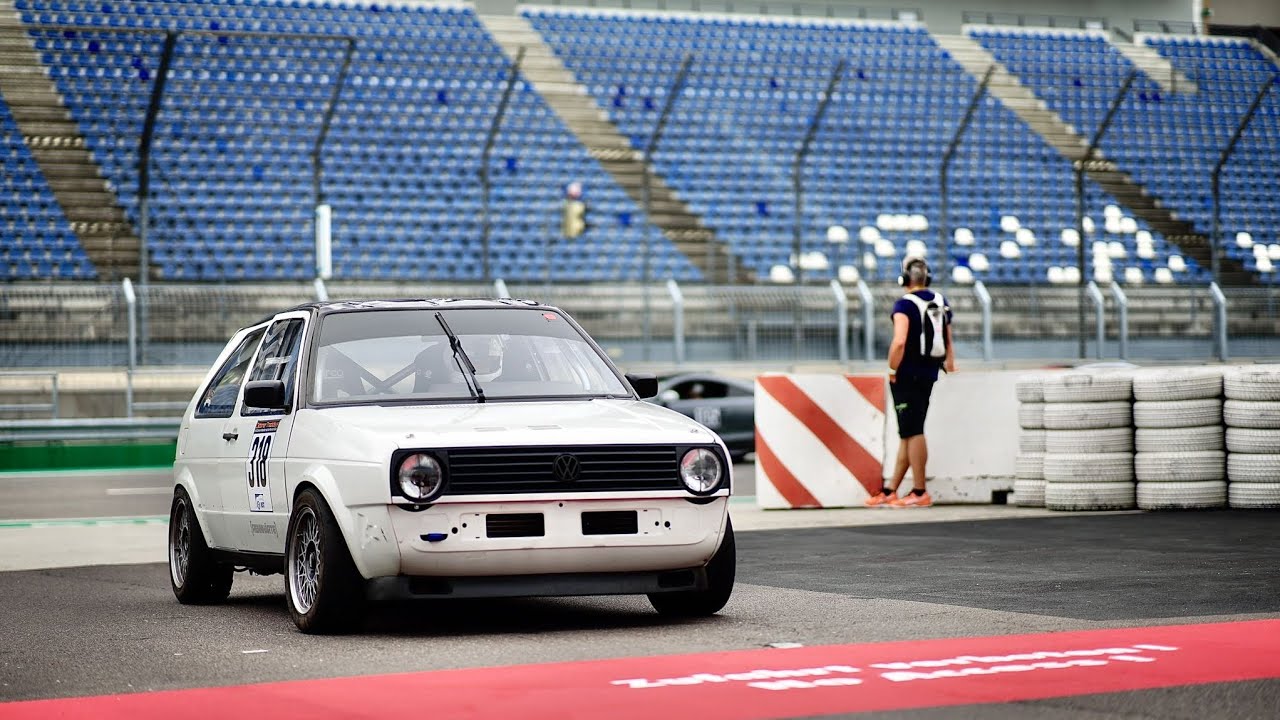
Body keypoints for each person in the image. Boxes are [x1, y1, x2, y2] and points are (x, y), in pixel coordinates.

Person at [865, 255, 956, 508]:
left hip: (907, 374)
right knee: (908, 432)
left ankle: (919, 491)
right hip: (929, 372)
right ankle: (891, 489)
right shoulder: (940, 300)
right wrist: (951, 364)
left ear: (904, 278)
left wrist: (892, 368)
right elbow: (948, 339)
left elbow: (900, 341)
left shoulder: (904, 305)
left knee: (913, 431)